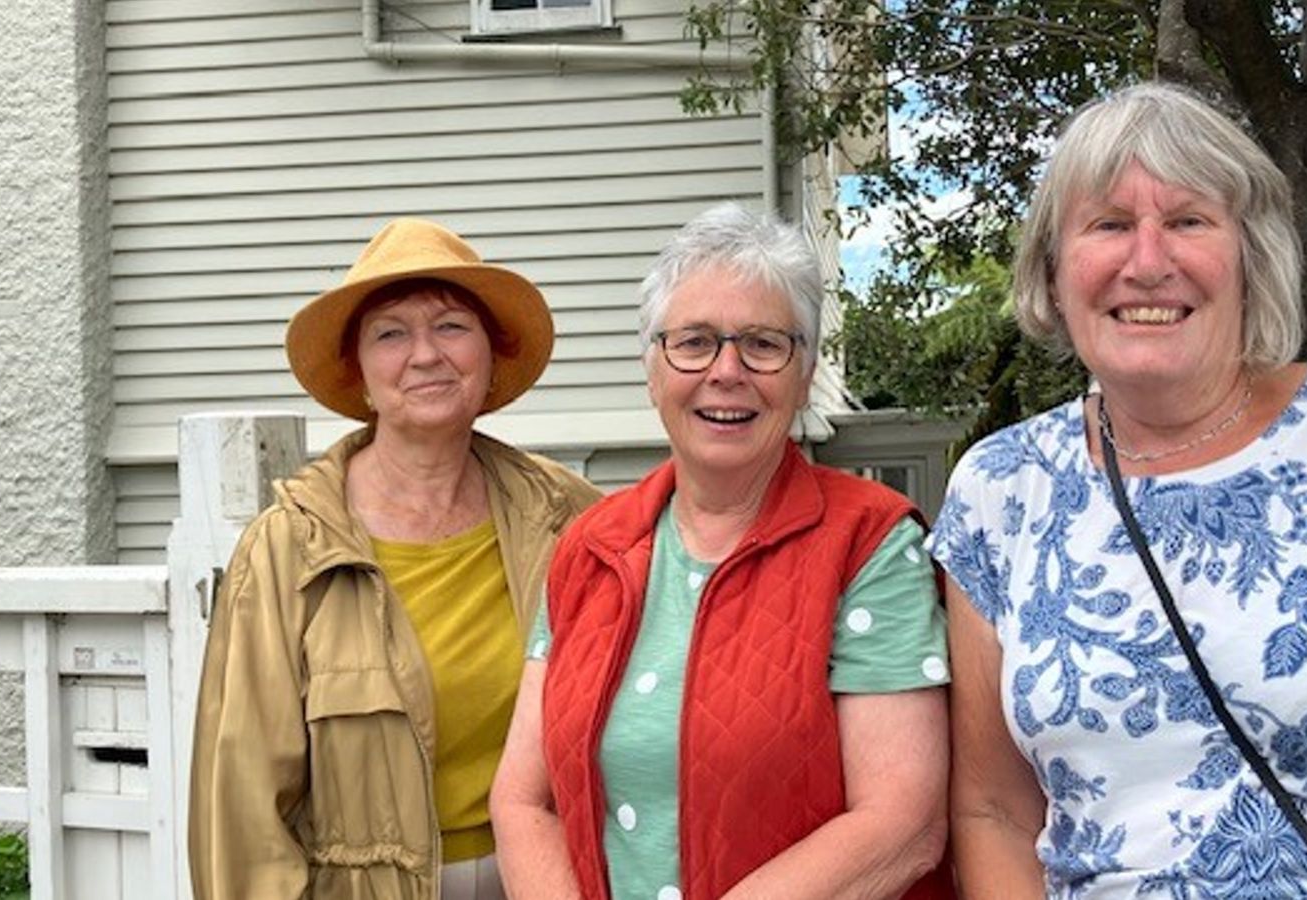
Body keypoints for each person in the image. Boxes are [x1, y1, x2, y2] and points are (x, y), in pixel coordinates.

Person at [929, 81, 1307, 898]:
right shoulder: (1001, 490)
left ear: (1252, 258)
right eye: (1109, 224)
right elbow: (993, 816)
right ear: (1053, 271)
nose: (1147, 263)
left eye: (1188, 221)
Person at [490, 203, 956, 900]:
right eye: (695, 342)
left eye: (764, 344)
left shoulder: (869, 543)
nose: (727, 371)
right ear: (652, 369)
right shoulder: (591, 547)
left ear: (803, 375)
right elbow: (522, 800)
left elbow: (902, 820)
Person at [188, 218, 602, 900]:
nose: (425, 355)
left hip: (552, 878)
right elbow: (242, 817)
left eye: (451, 326)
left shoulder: (571, 518)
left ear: (492, 354)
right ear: (358, 373)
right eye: (390, 332)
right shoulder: (287, 550)